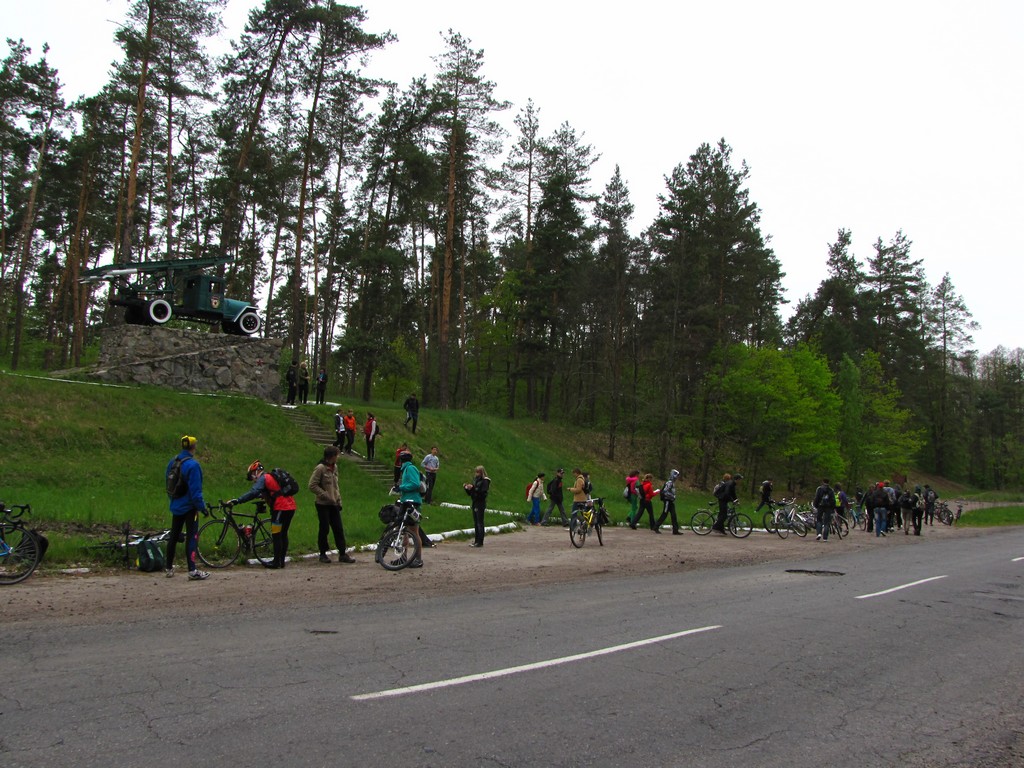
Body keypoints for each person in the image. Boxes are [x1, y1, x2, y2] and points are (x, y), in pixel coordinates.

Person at [232, 461, 297, 569]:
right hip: (290, 507)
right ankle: (281, 561)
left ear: (256, 472)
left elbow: (253, 492)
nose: (253, 480)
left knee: (276, 534)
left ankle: (276, 562)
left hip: (280, 508)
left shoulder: (264, 478)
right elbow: (272, 492)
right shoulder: (271, 477)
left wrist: (238, 500)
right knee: (283, 534)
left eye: (252, 476)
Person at [164, 435, 210, 580]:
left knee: (174, 535)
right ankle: (192, 570)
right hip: (190, 508)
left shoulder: (173, 462)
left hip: (176, 505)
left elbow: (168, 484)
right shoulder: (193, 465)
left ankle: (168, 568)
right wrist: (202, 508)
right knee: (192, 537)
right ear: (193, 447)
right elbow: (196, 491)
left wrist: (173, 500)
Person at [308, 445, 356, 563]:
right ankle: (323, 553)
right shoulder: (320, 468)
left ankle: (342, 553)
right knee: (324, 528)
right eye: (336, 455)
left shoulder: (334, 468)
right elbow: (312, 485)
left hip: (334, 503)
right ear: (331, 456)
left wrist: (338, 499)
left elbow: (336, 486)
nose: (338, 457)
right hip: (322, 504)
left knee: (338, 528)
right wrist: (324, 494)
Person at [395, 450, 424, 567]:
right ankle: (403, 557)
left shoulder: (410, 468)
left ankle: (418, 559)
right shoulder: (405, 469)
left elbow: (415, 484)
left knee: (414, 531)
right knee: (403, 531)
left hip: (413, 502)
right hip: (406, 501)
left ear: (401, 460)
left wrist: (401, 487)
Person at [464, 465, 490, 547]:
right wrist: (467, 488)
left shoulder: (485, 481)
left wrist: (473, 488)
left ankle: (480, 541)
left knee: (480, 523)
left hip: (480, 503)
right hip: (474, 501)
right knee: (476, 522)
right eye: (476, 472)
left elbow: (482, 493)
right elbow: (471, 492)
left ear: (481, 472)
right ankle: (476, 540)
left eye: (478, 472)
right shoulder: (475, 480)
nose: (476, 474)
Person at [655, 469, 682, 534]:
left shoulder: (672, 483)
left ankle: (675, 530)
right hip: (667, 501)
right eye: (676, 476)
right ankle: (656, 526)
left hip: (671, 501)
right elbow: (665, 491)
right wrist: (673, 496)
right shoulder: (669, 483)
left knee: (673, 515)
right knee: (664, 514)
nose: (677, 478)